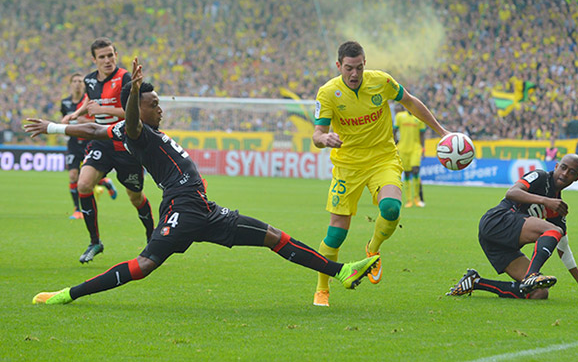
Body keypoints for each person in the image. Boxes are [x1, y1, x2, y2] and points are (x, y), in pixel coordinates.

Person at [26, 58, 379, 306]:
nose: (160, 108)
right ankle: (68, 294)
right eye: (155, 104)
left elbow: (91, 128)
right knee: (144, 265)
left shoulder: (139, 129)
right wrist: (133, 95)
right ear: (140, 107)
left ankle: (342, 271)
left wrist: (54, 127)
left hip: (204, 210)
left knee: (273, 236)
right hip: (183, 207)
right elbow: (125, 122)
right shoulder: (137, 132)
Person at [312, 41, 450, 306]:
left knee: (390, 209)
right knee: (336, 234)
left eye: (360, 67)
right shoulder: (328, 93)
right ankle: (322, 289)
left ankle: (372, 250)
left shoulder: (382, 82)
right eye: (349, 68)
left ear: (366, 63)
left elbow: (409, 101)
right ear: (339, 66)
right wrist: (324, 138)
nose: (355, 74)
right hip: (347, 166)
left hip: (383, 159)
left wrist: (441, 131)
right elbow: (317, 134)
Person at [446, 154, 578, 299]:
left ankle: (476, 282)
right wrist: (545, 201)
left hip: (500, 244)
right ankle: (531, 275)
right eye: (563, 168)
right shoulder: (541, 177)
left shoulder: (557, 207)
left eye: (571, 172)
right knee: (553, 230)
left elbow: (563, 248)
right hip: (497, 220)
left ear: (577, 178)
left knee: (539, 292)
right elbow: (512, 192)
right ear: (556, 166)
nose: (565, 174)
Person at [62, 38, 154, 263]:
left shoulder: (125, 79)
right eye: (102, 57)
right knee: (83, 184)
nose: (107, 60)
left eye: (110, 55)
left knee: (135, 197)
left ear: (116, 55)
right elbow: (90, 99)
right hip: (102, 142)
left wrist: (103, 108)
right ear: (94, 60)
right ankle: (95, 242)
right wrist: (76, 113)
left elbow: (135, 114)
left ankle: (152, 238)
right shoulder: (89, 80)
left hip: (126, 144)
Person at [60, 73, 117, 220]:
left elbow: (95, 121)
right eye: (75, 81)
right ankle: (77, 210)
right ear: (71, 84)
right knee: (73, 175)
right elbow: (64, 120)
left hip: (88, 141)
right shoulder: (65, 103)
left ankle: (104, 182)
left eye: (80, 81)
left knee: (86, 177)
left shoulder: (89, 100)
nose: (77, 83)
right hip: (73, 143)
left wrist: (82, 119)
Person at [393, 104, 427, 208]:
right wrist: (394, 144)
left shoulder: (419, 118)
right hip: (403, 148)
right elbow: (394, 131)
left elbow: (422, 135)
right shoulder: (399, 116)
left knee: (415, 170)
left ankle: (416, 198)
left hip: (415, 148)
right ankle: (408, 200)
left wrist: (423, 149)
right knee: (407, 174)